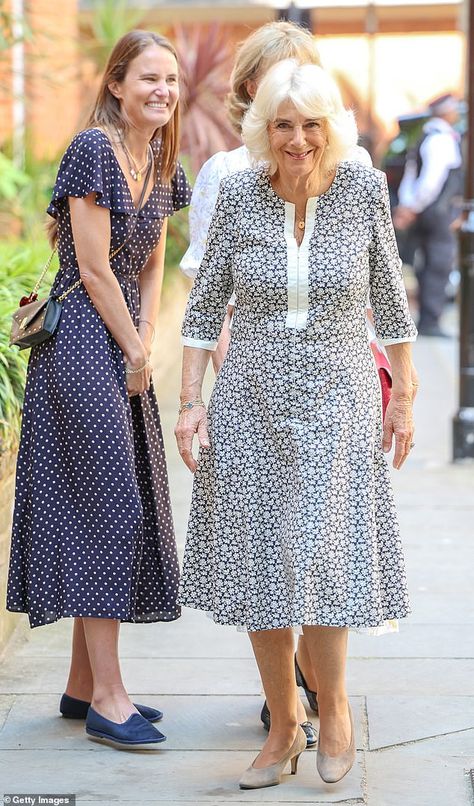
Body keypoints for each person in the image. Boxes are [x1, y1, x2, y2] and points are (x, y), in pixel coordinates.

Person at [175, 60, 417, 790]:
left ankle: (334, 709)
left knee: (324, 556)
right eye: (283, 125)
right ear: (263, 128)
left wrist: (402, 395)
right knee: (262, 564)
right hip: (250, 400)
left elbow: (393, 302)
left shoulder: (363, 190)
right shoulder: (242, 196)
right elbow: (200, 307)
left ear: (330, 128)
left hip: (338, 402)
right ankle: (284, 724)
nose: (298, 140)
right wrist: (190, 403)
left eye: (312, 124)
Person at [7, 30, 191, 751]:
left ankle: (84, 687)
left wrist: (145, 334)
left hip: (119, 345)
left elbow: (152, 258)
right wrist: (135, 344)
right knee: (107, 510)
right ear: (116, 84)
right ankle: (110, 700)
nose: (164, 91)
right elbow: (90, 267)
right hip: (83, 345)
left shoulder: (162, 156)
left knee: (115, 500)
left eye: (172, 80)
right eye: (149, 77)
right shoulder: (93, 149)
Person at [393, 93, 463, 337]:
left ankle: (425, 318)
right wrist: (413, 207)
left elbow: (411, 177)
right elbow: (431, 181)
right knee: (438, 264)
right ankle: (430, 321)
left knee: (425, 265)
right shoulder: (441, 139)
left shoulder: (425, 135)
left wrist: (408, 205)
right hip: (437, 211)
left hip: (425, 210)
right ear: (446, 112)